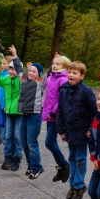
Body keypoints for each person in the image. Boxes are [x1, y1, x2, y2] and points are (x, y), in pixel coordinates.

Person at [56, 61, 97, 199]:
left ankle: (79, 185)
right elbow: (60, 110)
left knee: (80, 158)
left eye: (75, 73)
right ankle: (73, 184)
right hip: (69, 130)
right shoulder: (63, 89)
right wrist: (61, 130)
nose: (71, 75)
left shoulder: (86, 91)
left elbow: (94, 112)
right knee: (72, 157)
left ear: (82, 76)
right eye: (70, 72)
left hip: (82, 130)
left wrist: (90, 129)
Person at [0, 46, 23, 171]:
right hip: (8, 111)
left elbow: (20, 71)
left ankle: (17, 157)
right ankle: (7, 157)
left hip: (19, 111)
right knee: (8, 135)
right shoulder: (6, 79)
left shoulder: (21, 80)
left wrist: (15, 55)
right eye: (10, 68)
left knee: (17, 135)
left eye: (13, 69)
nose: (11, 71)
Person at [42, 55, 71, 183]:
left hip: (56, 116)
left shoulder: (63, 79)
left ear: (64, 67)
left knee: (49, 142)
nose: (54, 66)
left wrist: (53, 112)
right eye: (53, 63)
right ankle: (61, 167)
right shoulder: (50, 78)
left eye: (58, 64)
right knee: (51, 141)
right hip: (49, 115)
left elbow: (62, 99)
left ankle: (64, 165)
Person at [17, 60, 45, 179]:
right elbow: (19, 70)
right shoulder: (24, 80)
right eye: (30, 71)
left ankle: (37, 167)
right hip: (24, 115)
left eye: (34, 71)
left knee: (32, 143)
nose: (31, 73)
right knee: (24, 142)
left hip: (34, 115)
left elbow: (50, 75)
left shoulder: (40, 82)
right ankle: (30, 165)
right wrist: (15, 56)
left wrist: (57, 61)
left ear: (39, 74)